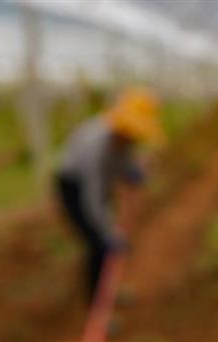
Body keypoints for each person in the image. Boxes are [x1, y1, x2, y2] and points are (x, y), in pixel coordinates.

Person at [56, 88, 163, 304]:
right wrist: (108, 235)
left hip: (98, 184)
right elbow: (92, 198)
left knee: (103, 240)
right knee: (97, 243)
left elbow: (122, 161)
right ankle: (97, 301)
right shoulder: (96, 146)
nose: (134, 138)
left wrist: (131, 171)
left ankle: (107, 292)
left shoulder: (123, 138)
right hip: (74, 186)